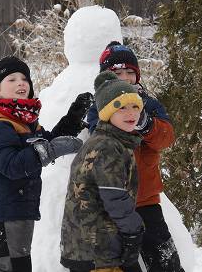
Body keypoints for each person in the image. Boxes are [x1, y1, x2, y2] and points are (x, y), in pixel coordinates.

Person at [0, 56, 92, 272]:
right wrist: (52, 150)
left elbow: (48, 142)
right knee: (11, 266)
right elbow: (11, 165)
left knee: (8, 266)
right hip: (4, 210)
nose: (21, 83)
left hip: (17, 206)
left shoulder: (23, 120)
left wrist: (72, 119)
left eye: (24, 78)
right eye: (11, 79)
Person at [87, 42, 184, 272]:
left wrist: (146, 124)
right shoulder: (98, 107)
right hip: (114, 203)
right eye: (117, 73)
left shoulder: (149, 104)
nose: (125, 78)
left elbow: (166, 138)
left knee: (165, 261)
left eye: (130, 72)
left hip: (146, 199)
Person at [60, 71, 145, 272]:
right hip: (98, 249)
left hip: (89, 246)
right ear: (107, 113)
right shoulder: (108, 147)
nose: (131, 113)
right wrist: (135, 230)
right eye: (121, 107)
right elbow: (114, 197)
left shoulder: (107, 141)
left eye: (135, 106)